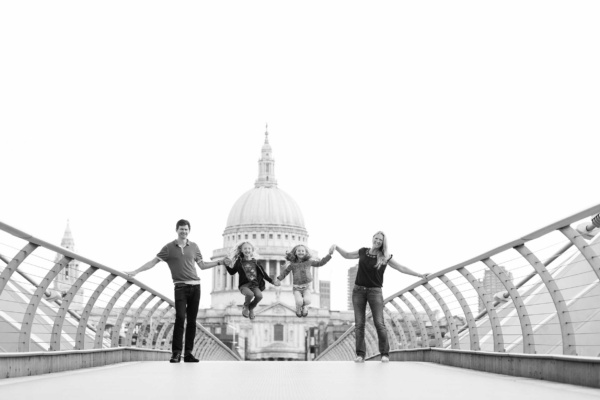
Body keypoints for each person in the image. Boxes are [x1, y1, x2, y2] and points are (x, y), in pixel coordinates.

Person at [125, 219, 224, 363]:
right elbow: (153, 262)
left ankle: (188, 354)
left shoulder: (194, 246)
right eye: (181, 229)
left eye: (186, 229)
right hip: (180, 287)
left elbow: (202, 265)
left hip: (196, 287)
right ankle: (176, 353)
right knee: (180, 319)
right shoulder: (169, 248)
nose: (184, 231)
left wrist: (219, 262)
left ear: (189, 231)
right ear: (176, 230)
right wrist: (136, 271)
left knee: (191, 322)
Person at [332, 231, 428, 363]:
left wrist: (419, 275)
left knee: (379, 323)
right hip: (358, 291)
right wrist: (336, 247)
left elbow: (401, 267)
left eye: (380, 240)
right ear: (372, 238)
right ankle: (360, 355)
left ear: (383, 242)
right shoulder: (363, 251)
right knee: (359, 324)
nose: (377, 241)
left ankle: (384, 354)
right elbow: (347, 255)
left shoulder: (385, 257)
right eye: (376, 238)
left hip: (375, 292)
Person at [275, 244, 334, 317]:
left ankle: (305, 307)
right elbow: (285, 272)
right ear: (295, 252)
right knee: (299, 302)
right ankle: (298, 307)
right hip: (296, 288)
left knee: (307, 301)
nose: (301, 252)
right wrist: (278, 279)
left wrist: (329, 255)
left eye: (303, 251)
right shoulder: (293, 264)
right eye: (299, 251)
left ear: (306, 252)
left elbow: (320, 263)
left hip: (306, 287)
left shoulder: (309, 262)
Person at [226, 242, 279, 319]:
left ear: (252, 250)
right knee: (250, 294)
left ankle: (250, 308)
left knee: (259, 296)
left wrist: (273, 282)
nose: (247, 250)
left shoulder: (256, 262)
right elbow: (232, 272)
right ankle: (246, 307)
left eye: (249, 248)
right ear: (241, 250)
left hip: (254, 285)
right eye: (245, 248)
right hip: (244, 285)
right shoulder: (239, 262)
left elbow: (264, 274)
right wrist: (226, 265)